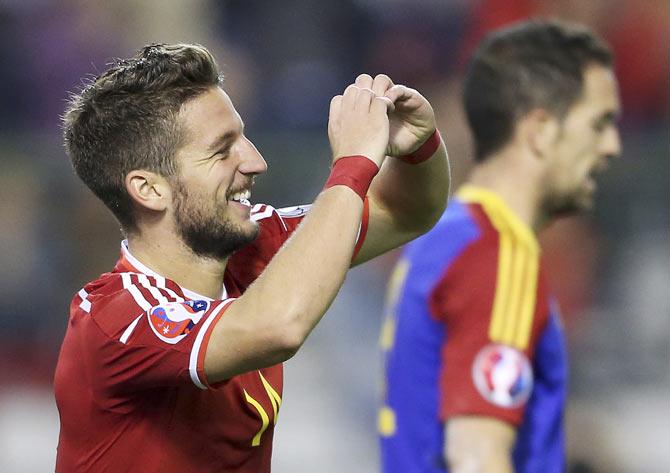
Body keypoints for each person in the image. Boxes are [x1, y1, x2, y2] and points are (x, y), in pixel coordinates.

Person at [53, 43, 450, 472]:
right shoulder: (118, 318)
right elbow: (277, 326)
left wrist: (417, 148)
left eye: (244, 137)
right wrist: (351, 165)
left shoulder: (251, 244)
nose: (256, 161)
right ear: (149, 189)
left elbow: (405, 211)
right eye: (223, 150)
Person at [378, 19, 621, 473]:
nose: (611, 146)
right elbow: (476, 456)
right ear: (541, 130)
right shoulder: (497, 253)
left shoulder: (444, 236)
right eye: (599, 124)